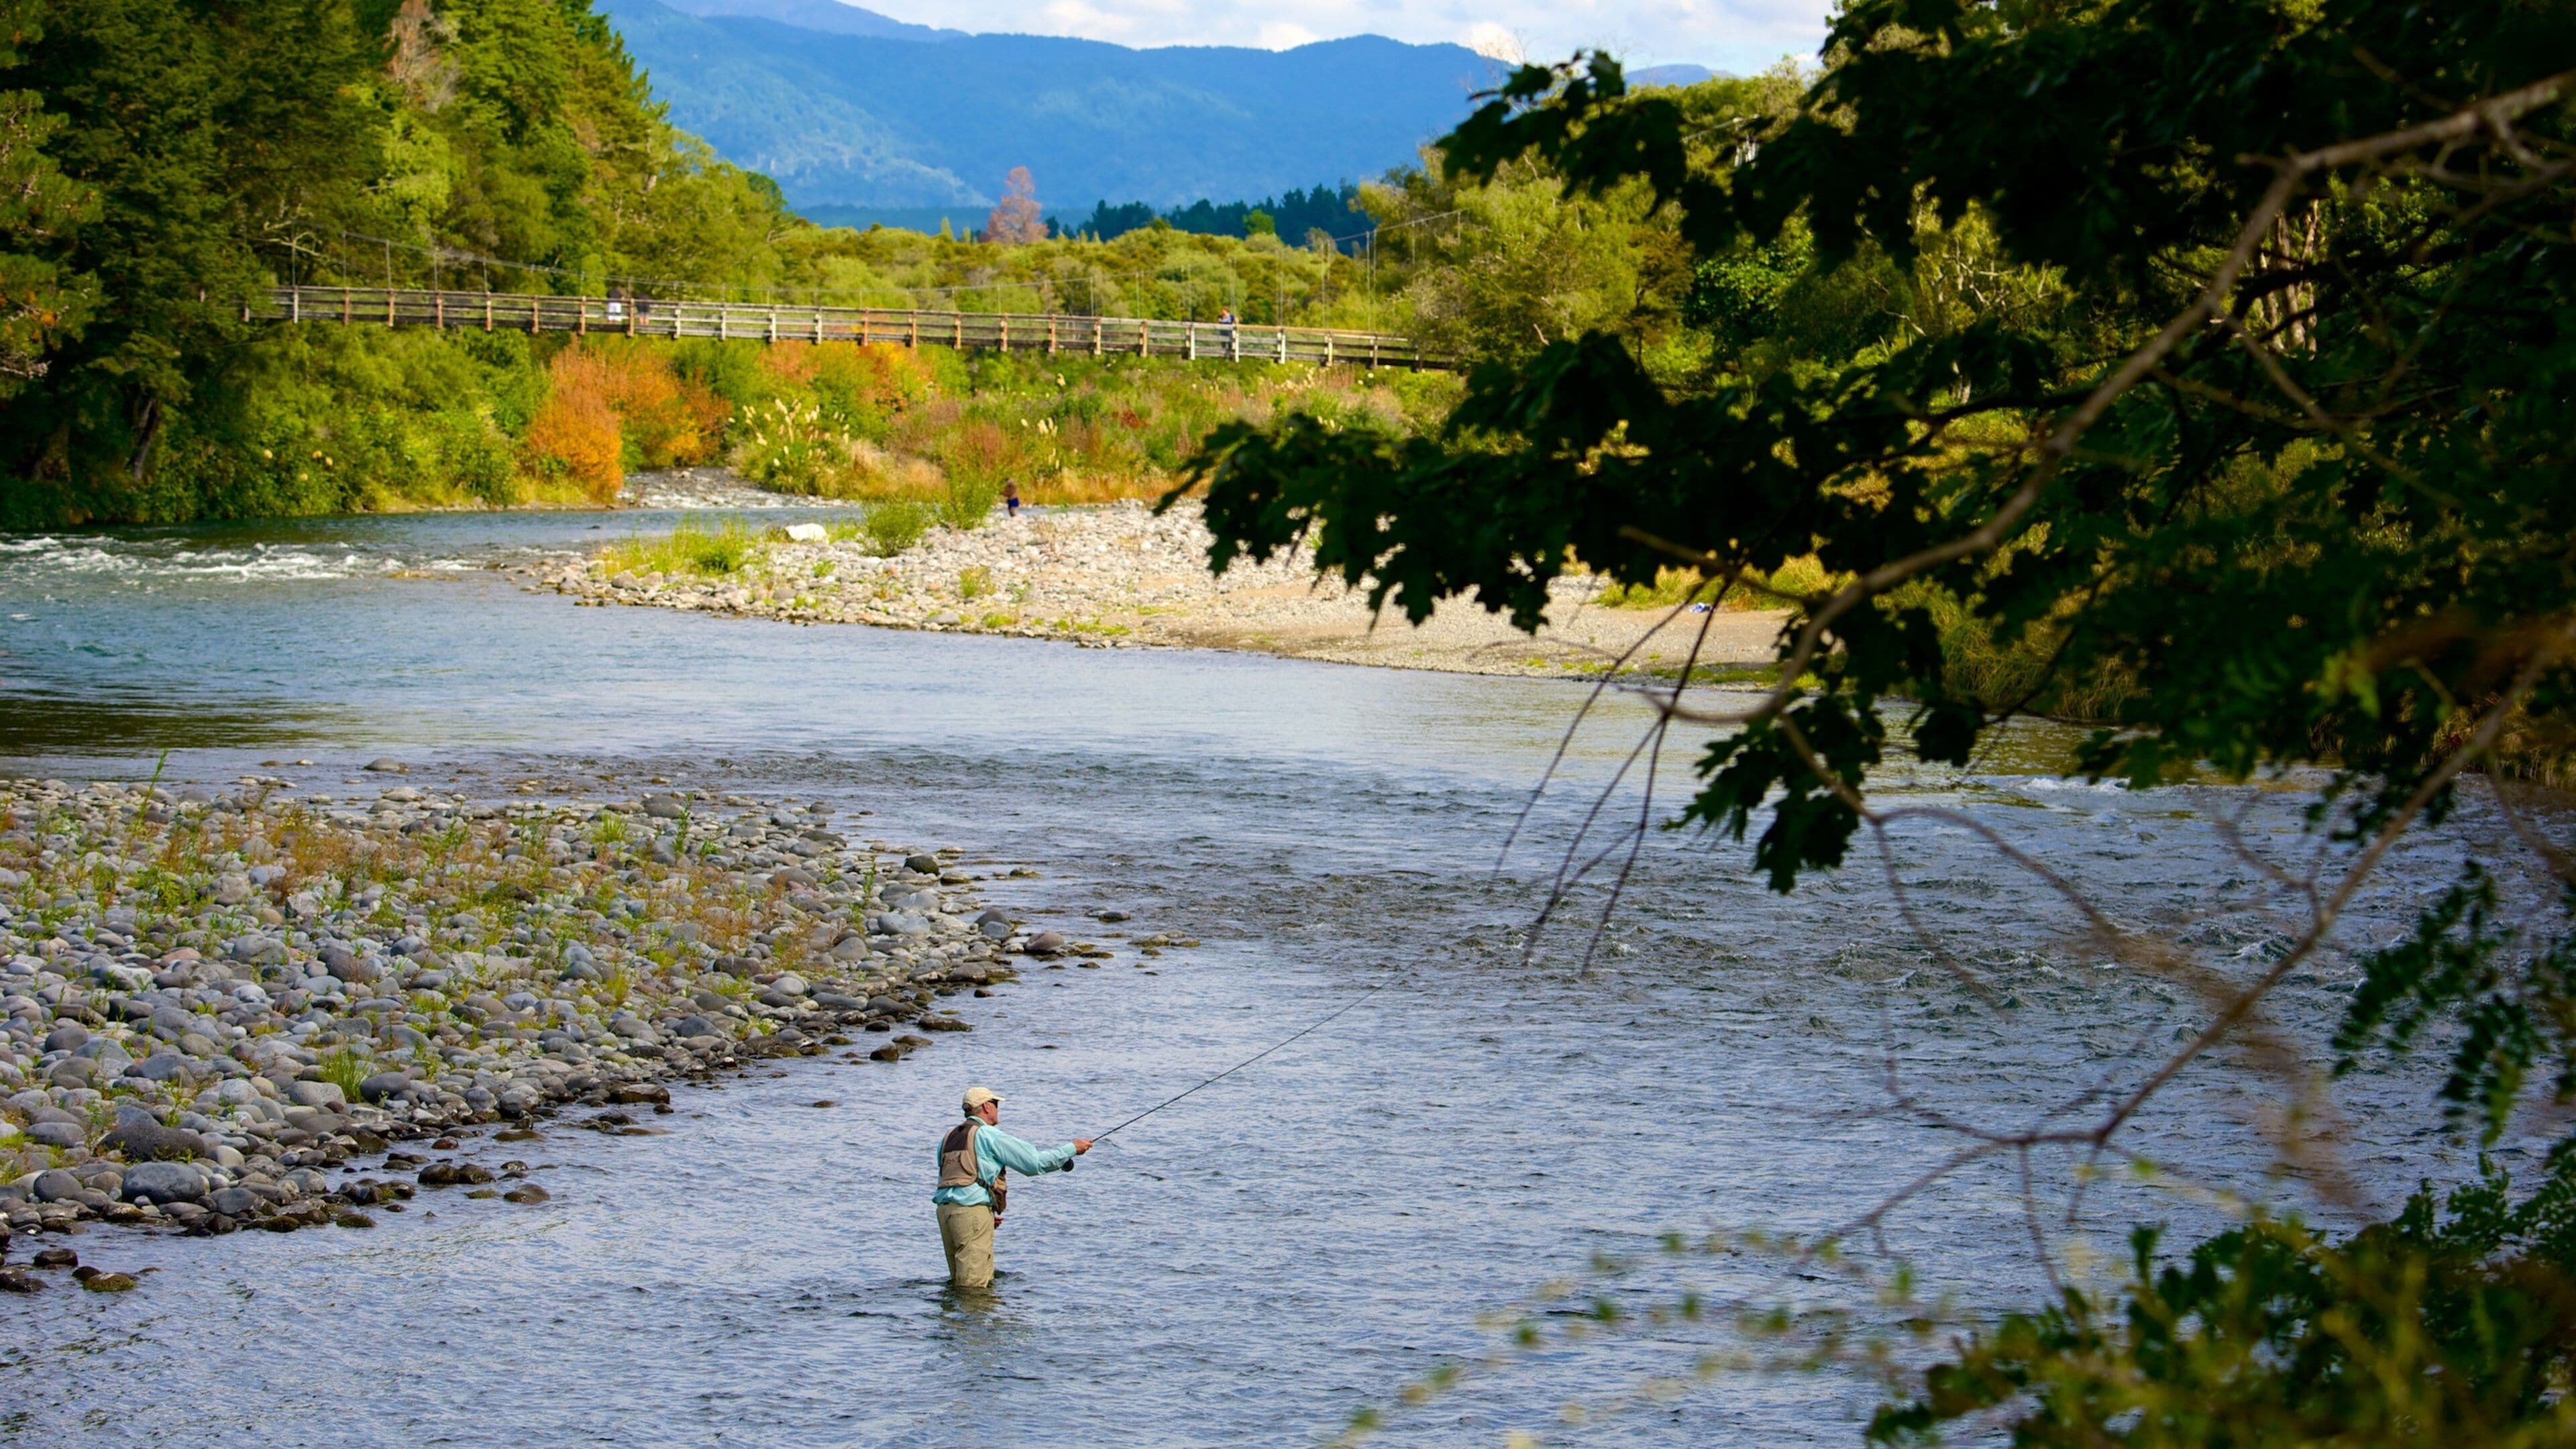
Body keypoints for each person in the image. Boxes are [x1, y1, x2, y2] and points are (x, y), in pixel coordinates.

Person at [933, 1085, 1090, 1289]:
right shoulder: (989, 1135)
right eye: (996, 1105)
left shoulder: (947, 1137)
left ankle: (954, 1321)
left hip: (946, 1213)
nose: (997, 1110)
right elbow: (1034, 1163)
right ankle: (974, 1320)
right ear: (987, 1107)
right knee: (973, 1288)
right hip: (971, 1213)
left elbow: (952, 1178)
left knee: (958, 1283)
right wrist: (1071, 1149)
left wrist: (986, 1212)